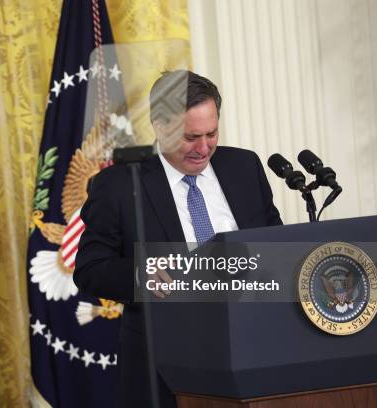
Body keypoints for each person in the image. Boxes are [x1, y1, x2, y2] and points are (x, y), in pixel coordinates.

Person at [74, 70, 283, 407]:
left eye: (211, 133)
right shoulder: (118, 185)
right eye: (190, 137)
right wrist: (142, 275)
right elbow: (90, 269)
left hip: (254, 350)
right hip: (166, 364)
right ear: (160, 126)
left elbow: (275, 246)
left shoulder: (244, 166)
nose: (203, 148)